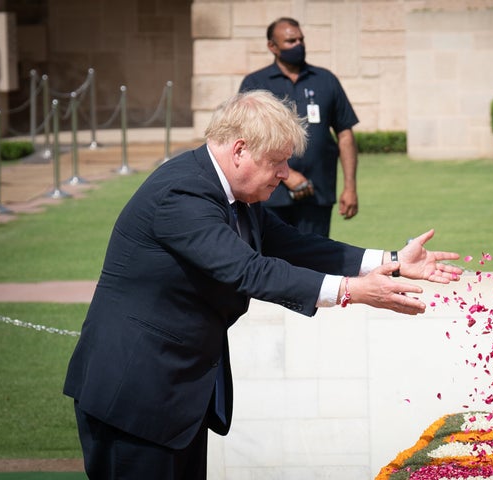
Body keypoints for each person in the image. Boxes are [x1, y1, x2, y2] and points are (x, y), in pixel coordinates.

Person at [63, 90, 463, 480]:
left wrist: (392, 261)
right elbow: (249, 271)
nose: (286, 174)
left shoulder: (237, 195)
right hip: (133, 397)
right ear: (239, 151)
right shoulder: (181, 193)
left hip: (175, 399)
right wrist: (351, 292)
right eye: (278, 161)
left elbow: (294, 245)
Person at [239, 17, 359, 237]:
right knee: (271, 261)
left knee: (317, 260)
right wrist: (287, 175)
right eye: (291, 41)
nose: (299, 45)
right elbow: (248, 138)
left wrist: (350, 187)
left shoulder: (326, 80)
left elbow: (345, 134)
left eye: (301, 39)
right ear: (272, 47)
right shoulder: (255, 84)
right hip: (269, 195)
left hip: (318, 194)